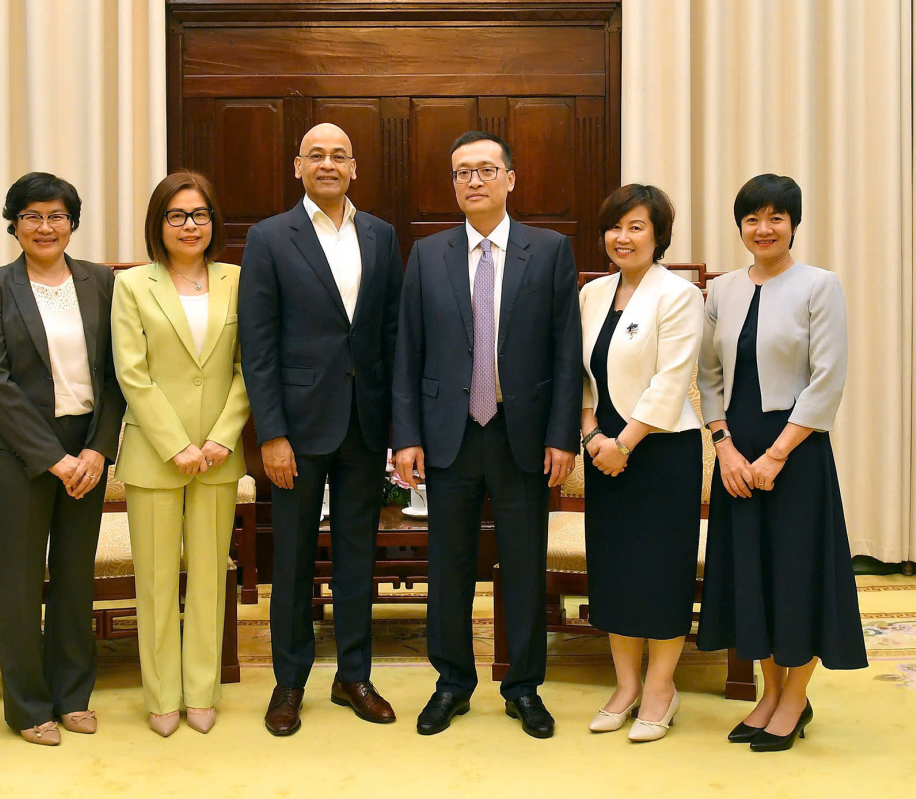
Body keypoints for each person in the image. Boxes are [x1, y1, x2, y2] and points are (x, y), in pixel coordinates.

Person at [392, 130, 582, 739]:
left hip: (521, 433)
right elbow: (407, 350)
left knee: (524, 564)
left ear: (510, 179)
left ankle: (523, 687)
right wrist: (406, 436)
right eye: (462, 172)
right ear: (453, 184)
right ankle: (451, 682)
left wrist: (562, 436)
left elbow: (566, 350)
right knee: (447, 565)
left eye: (485, 169)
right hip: (447, 435)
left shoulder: (549, 250)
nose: (473, 180)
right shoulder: (428, 254)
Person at [239, 123, 404, 736]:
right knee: (293, 558)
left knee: (358, 555)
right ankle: (289, 682)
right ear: (297, 166)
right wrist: (271, 434)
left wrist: (398, 426)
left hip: (364, 423)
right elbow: (257, 345)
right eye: (317, 155)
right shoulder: (269, 237)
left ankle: (353, 676)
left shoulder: (381, 235)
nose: (328, 164)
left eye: (339, 155)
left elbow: (392, 333)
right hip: (297, 429)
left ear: (354, 167)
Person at [696, 173, 866, 752]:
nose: (763, 229)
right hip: (735, 453)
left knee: (798, 575)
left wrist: (774, 455)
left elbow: (827, 380)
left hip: (796, 453)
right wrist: (723, 446)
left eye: (776, 218)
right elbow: (708, 377)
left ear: (793, 223)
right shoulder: (721, 291)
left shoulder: (820, 285)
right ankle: (769, 694)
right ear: (740, 226)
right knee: (754, 576)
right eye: (752, 218)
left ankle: (796, 697)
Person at [0, 172, 125, 746]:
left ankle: (73, 695)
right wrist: (54, 459)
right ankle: (28, 705)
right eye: (32, 216)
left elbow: (116, 373)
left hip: (88, 447)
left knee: (75, 576)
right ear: (14, 224)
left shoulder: (101, 282)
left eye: (56, 215)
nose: (45, 227)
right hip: (21, 450)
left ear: (72, 223)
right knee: (20, 579)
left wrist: (98, 449)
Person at [111, 171, 250, 737]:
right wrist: (176, 445)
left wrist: (221, 436)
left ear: (213, 221)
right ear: (159, 223)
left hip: (218, 454)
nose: (189, 226)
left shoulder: (237, 279)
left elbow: (248, 366)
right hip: (155, 454)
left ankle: (201, 689)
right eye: (177, 216)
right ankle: (162, 694)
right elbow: (131, 373)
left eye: (199, 215)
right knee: (157, 580)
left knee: (211, 577)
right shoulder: (132, 284)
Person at [577, 185, 704, 742]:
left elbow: (671, 382)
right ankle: (625, 685)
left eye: (636, 227)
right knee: (615, 570)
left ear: (658, 237)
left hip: (660, 452)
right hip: (603, 450)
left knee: (660, 572)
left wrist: (623, 443)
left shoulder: (679, 295)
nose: (622, 237)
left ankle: (660, 688)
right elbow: (582, 374)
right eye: (615, 226)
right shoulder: (592, 293)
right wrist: (591, 433)